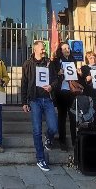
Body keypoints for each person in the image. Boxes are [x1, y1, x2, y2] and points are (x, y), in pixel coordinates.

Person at [21, 40, 59, 172]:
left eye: (44, 48)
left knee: (53, 127)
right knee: (36, 130)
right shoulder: (27, 64)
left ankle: (48, 136)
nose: (44, 50)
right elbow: (24, 83)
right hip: (34, 100)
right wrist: (24, 102)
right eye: (42, 48)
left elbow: (56, 80)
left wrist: (51, 86)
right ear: (35, 49)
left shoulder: (49, 63)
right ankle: (40, 158)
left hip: (47, 99)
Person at [50, 42, 79, 151]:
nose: (67, 50)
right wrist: (58, 73)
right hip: (61, 91)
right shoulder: (56, 62)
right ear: (60, 50)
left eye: (68, 48)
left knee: (73, 117)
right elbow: (51, 75)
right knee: (62, 117)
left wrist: (77, 73)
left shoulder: (73, 60)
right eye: (65, 48)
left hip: (71, 91)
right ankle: (62, 141)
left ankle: (74, 141)